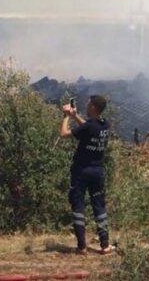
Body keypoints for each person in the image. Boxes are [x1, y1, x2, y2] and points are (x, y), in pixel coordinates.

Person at [60, 95, 112, 255]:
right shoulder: (104, 125)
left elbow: (63, 134)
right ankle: (105, 245)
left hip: (81, 171)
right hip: (98, 171)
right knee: (99, 206)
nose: (86, 106)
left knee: (78, 205)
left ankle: (82, 246)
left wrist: (66, 117)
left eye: (89, 105)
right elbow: (87, 128)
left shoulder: (90, 127)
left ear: (94, 108)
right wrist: (75, 115)